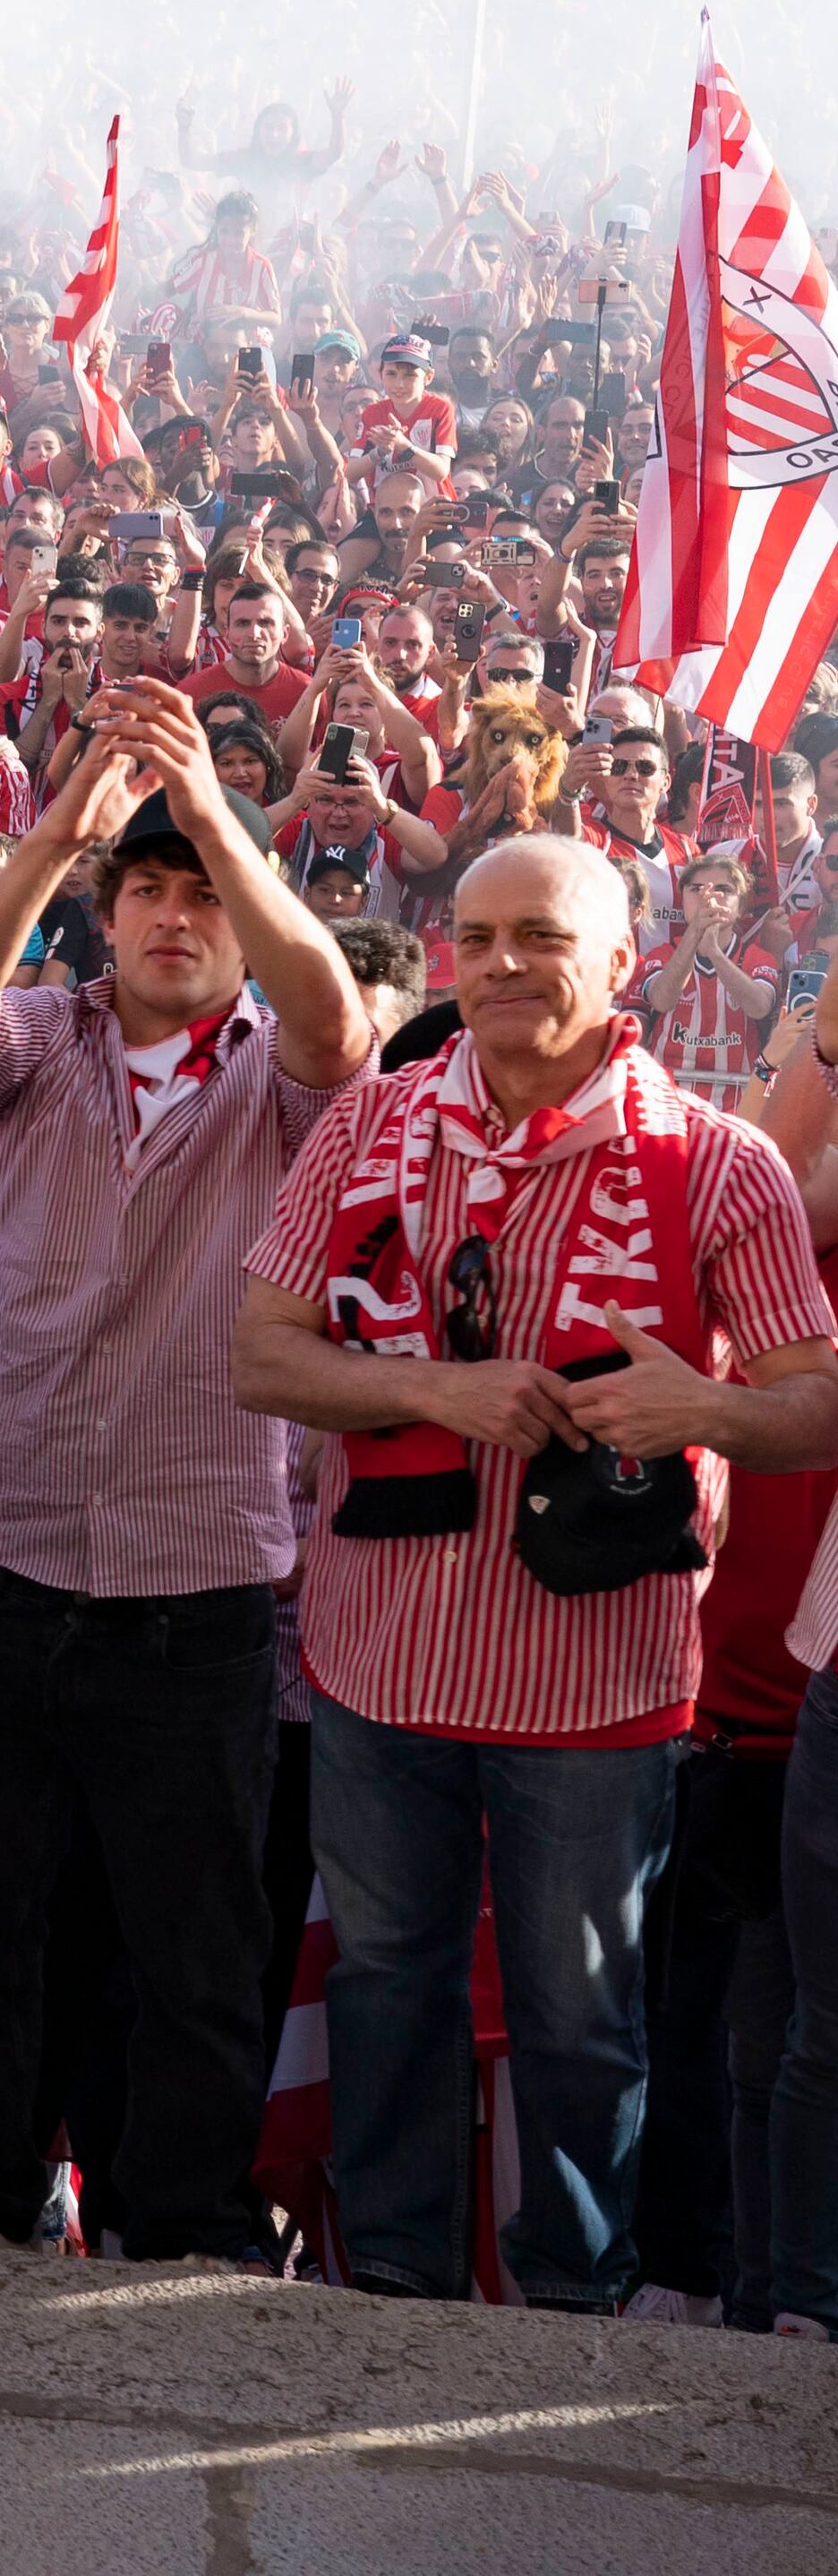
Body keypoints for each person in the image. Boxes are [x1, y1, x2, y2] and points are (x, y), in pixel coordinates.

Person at [235, 837, 838, 2306]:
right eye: (479, 934)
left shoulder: (717, 1156)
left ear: (622, 962)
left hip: (601, 1680)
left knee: (581, 2020)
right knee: (387, 1985)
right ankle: (389, 2276)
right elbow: (257, 1351)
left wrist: (700, 1408)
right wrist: (440, 1394)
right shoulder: (368, 1126)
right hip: (380, 1658)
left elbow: (815, 1396)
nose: (502, 962)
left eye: (542, 936)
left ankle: (574, 2296)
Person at [0, 677, 365, 2263]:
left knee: (191, 1946)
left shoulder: (277, 1081)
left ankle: (178, 2223)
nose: (177, 913)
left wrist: (217, 813)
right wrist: (60, 833)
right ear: (105, 915)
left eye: (205, 893)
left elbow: (342, 1025)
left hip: (195, 1590)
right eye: (149, 887)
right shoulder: (41, 1038)